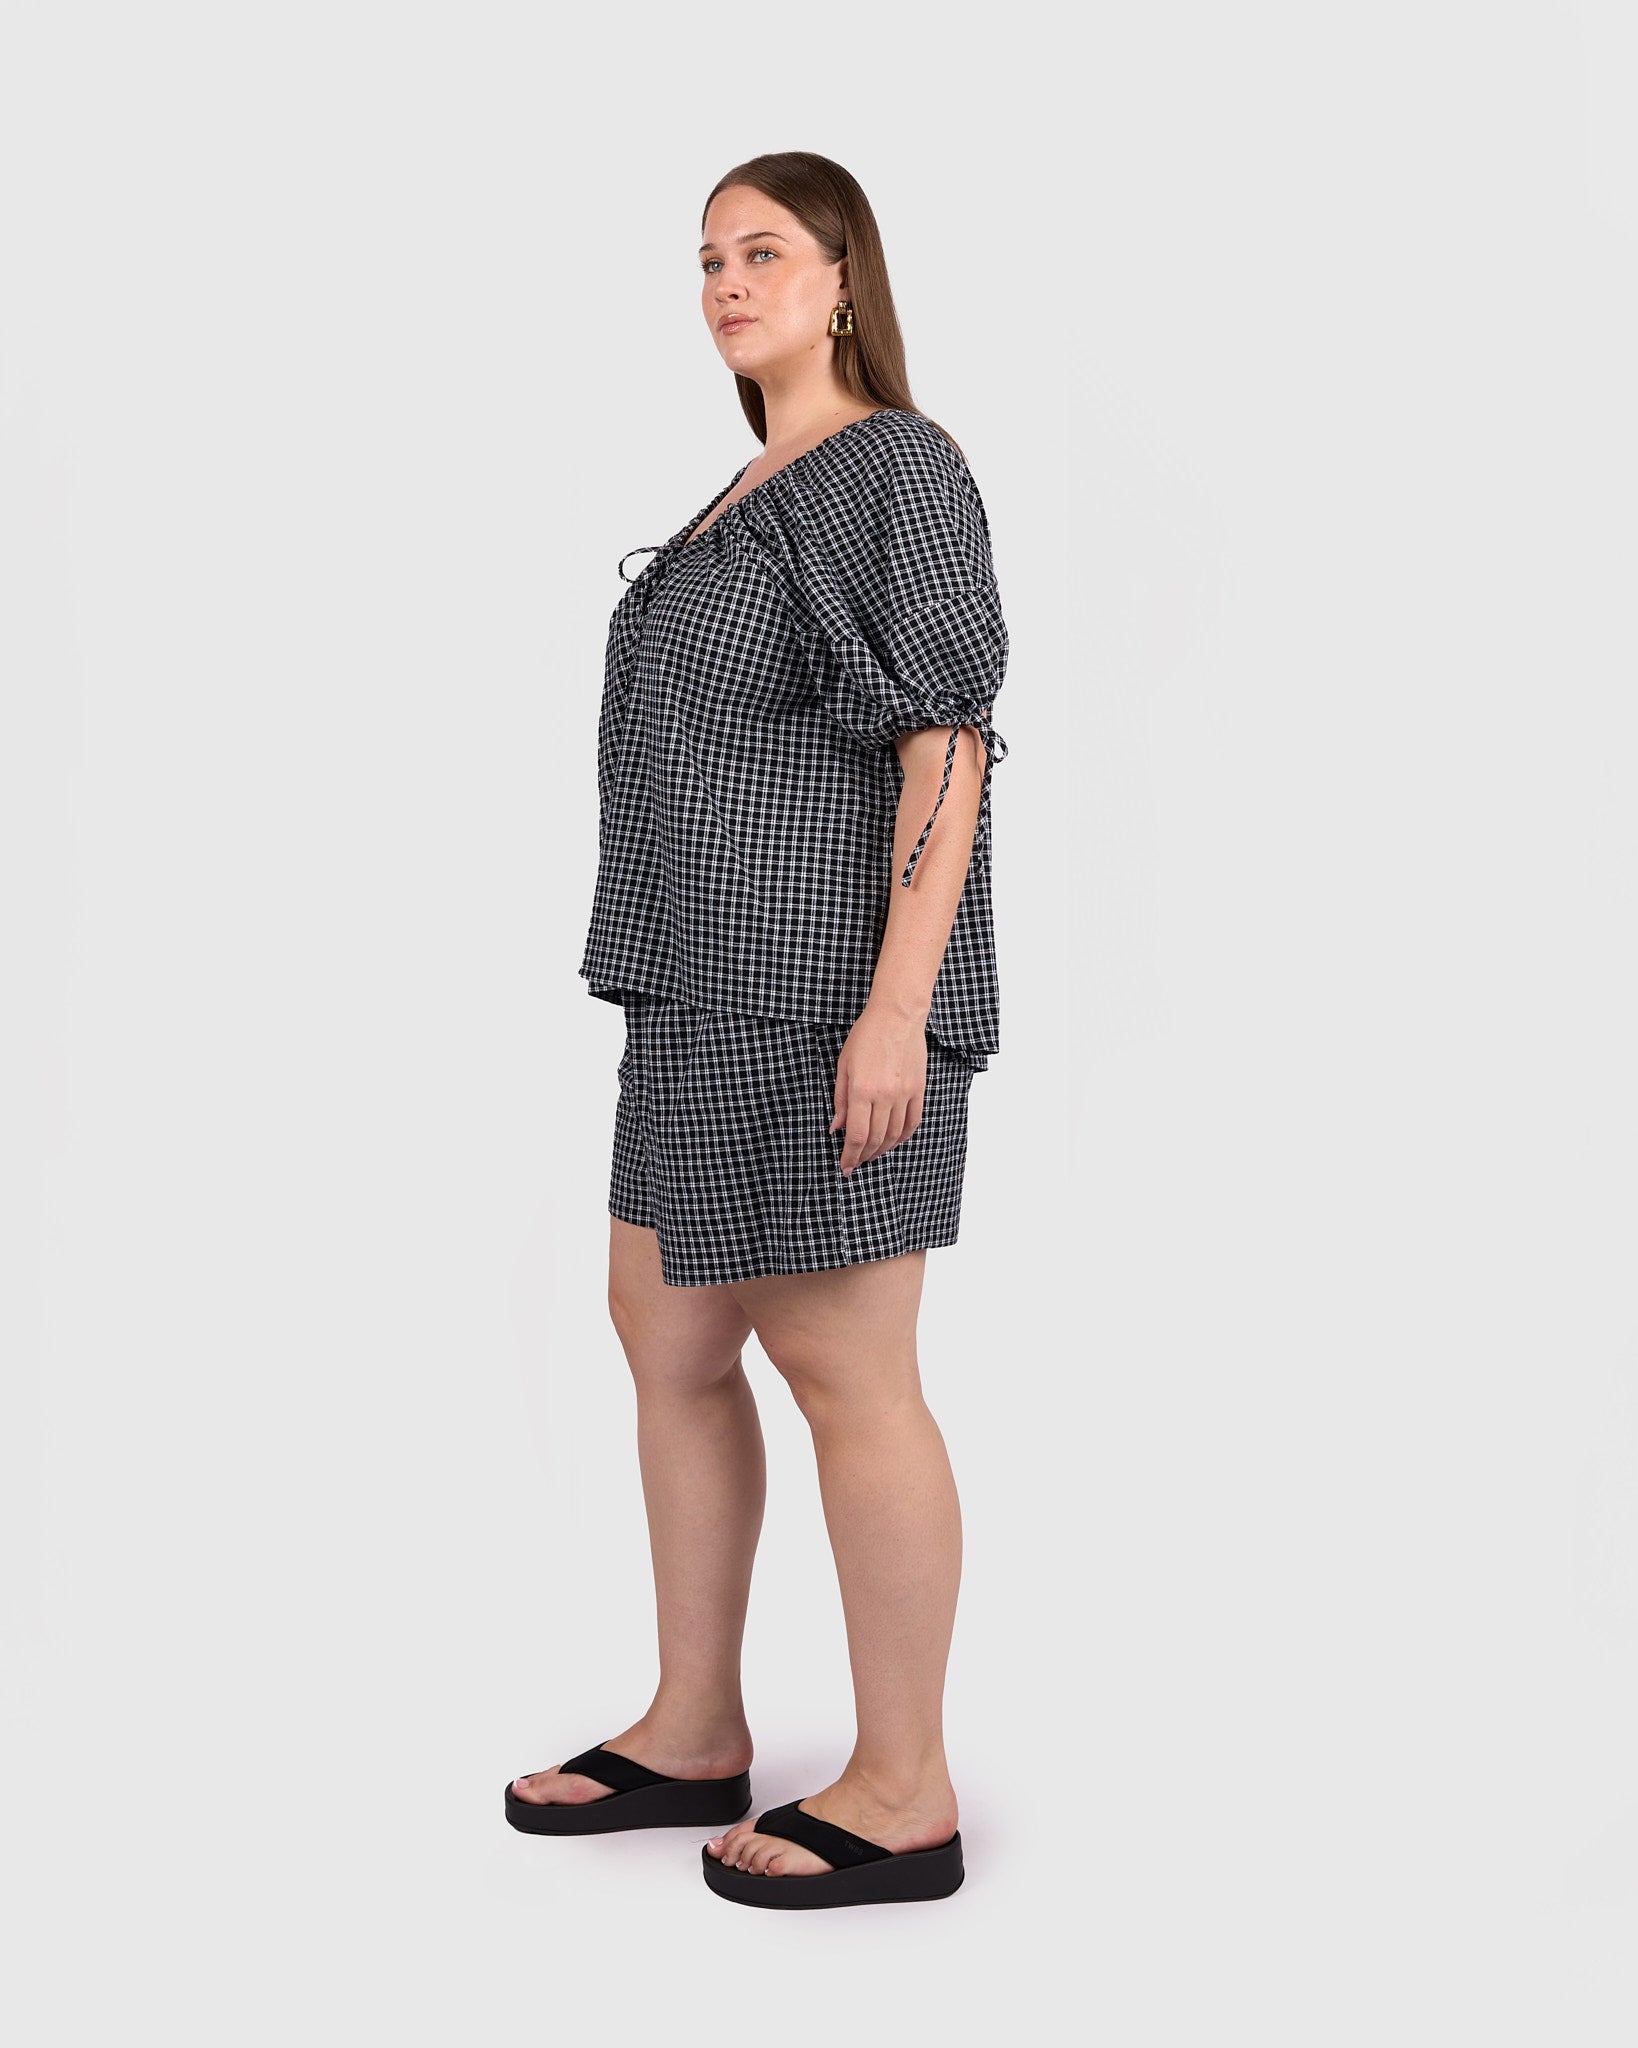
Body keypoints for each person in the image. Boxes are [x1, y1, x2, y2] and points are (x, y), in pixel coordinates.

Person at [505, 151, 1011, 1911]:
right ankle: (692, 1726)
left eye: (766, 251)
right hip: (689, 993)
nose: (727, 281)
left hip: (818, 1005)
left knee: (845, 1371)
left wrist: (897, 1013)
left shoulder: (895, 468)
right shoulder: (745, 487)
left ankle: (904, 1789)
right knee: (665, 1337)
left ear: (844, 280)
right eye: (708, 257)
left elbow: (946, 741)